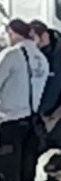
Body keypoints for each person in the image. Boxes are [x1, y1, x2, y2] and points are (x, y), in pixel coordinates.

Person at [0, 19, 49, 181]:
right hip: (32, 122)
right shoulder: (41, 58)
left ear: (12, 33)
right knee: (26, 176)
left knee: (8, 177)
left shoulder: (11, 55)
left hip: (9, 121)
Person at [32, 21, 61, 149]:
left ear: (44, 36)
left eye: (33, 38)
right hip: (37, 118)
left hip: (56, 116)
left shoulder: (58, 56)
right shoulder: (32, 55)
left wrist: (54, 118)